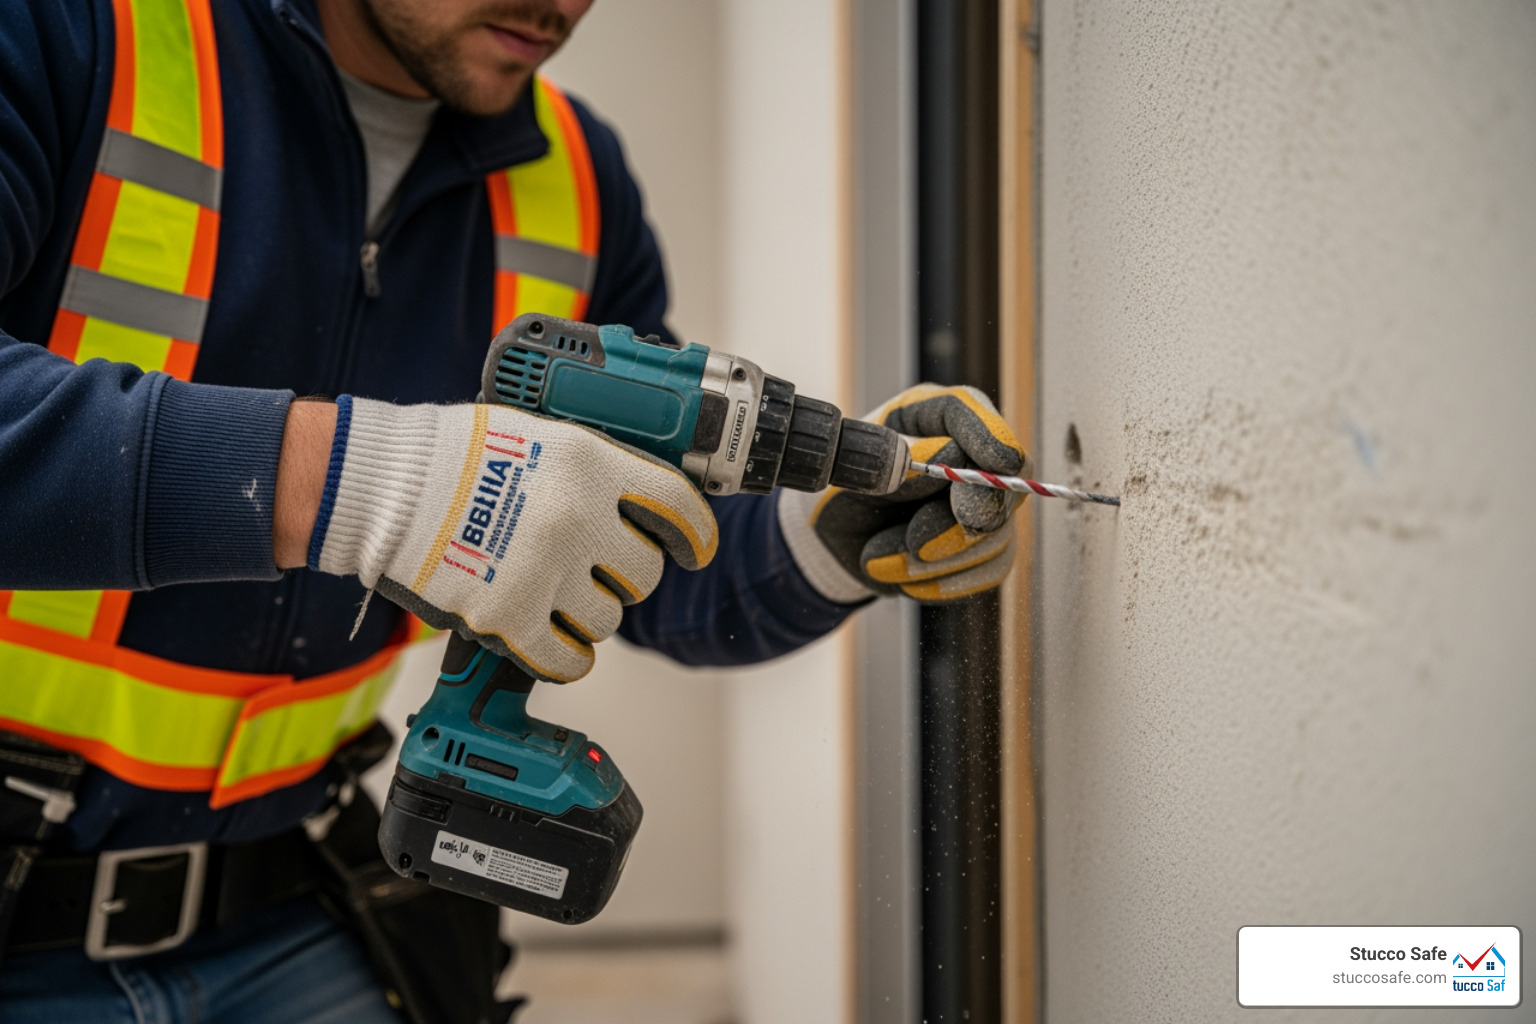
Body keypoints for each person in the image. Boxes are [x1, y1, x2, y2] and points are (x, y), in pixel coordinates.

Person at [0, 1, 1030, 1021]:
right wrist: (362, 481)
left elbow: (642, 547)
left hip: (291, 906)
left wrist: (822, 540)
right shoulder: (75, 35)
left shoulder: (574, 178)